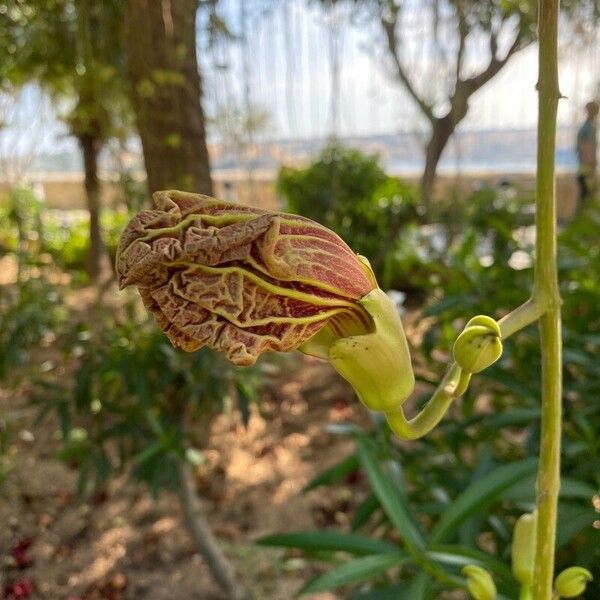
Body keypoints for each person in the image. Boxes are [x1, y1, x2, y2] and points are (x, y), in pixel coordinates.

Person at [576, 101, 599, 207]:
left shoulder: (586, 127)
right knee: (587, 198)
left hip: (584, 167)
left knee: (586, 196)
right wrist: (591, 165)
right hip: (586, 168)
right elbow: (587, 148)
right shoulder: (589, 128)